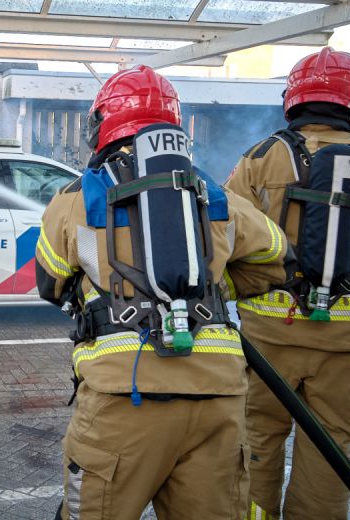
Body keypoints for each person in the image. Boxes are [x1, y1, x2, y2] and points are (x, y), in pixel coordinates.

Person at [37, 65, 289, 520]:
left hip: (124, 399)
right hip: (217, 399)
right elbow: (276, 256)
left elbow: (49, 280)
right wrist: (208, 289)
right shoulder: (212, 195)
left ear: (103, 125)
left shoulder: (76, 199)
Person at [225, 47, 350, 519]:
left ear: (293, 98)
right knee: (328, 456)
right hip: (348, 340)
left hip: (267, 336)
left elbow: (223, 240)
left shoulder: (260, 159)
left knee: (257, 440)